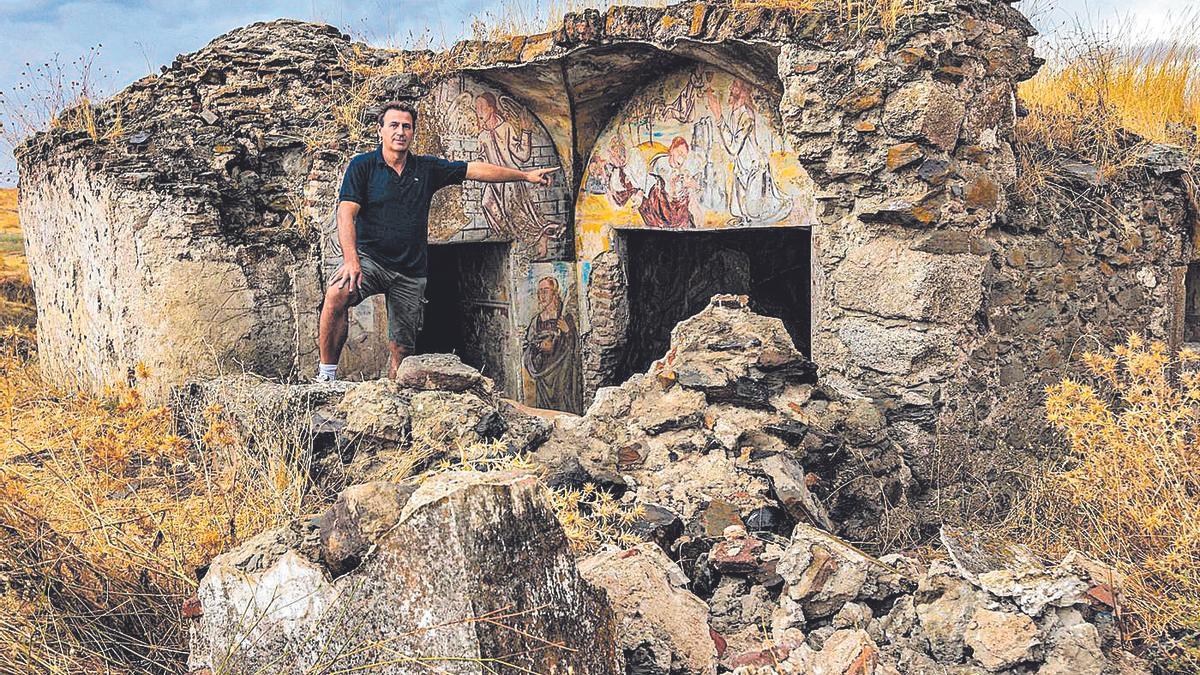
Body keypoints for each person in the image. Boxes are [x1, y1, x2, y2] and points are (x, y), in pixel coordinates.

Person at [317, 101, 559, 381]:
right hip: (371, 261)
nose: (400, 132)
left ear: (413, 133)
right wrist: (351, 259)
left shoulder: (426, 168)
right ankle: (327, 376)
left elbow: (475, 170)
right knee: (336, 294)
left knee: (402, 348)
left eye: (406, 126)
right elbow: (346, 213)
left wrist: (525, 176)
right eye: (393, 125)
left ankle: (396, 398)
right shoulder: (363, 166)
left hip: (410, 272)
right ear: (380, 130)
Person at [522, 276, 582, 412]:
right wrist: (540, 346)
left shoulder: (566, 318)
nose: (541, 295)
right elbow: (528, 345)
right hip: (543, 372)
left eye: (545, 291)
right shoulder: (536, 320)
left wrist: (568, 332)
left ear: (555, 293)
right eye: (539, 292)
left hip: (562, 372)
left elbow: (576, 348)